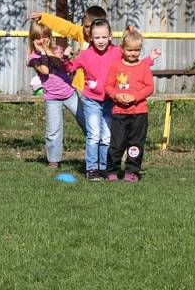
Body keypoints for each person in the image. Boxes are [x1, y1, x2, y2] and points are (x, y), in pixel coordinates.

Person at [65, 18, 160, 180]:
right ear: (91, 38)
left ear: (110, 36)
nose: (100, 41)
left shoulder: (117, 51)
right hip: (92, 100)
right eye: (97, 37)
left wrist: (149, 59)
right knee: (94, 134)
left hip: (112, 102)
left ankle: (105, 168)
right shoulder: (85, 55)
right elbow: (70, 67)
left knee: (107, 137)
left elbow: (133, 64)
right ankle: (92, 168)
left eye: (104, 37)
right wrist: (65, 58)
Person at [27, 20, 86, 168]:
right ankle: (54, 160)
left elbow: (62, 66)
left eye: (46, 36)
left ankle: (97, 153)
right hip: (52, 98)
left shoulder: (57, 50)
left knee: (86, 122)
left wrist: (56, 53)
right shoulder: (33, 58)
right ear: (32, 40)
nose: (43, 40)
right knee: (53, 130)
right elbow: (45, 70)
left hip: (69, 93)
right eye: (38, 38)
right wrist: (43, 52)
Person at [104, 26, 154, 182]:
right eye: (129, 50)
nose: (133, 53)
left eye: (137, 50)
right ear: (122, 49)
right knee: (117, 143)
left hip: (139, 112)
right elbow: (108, 86)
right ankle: (112, 170)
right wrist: (117, 95)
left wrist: (135, 97)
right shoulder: (115, 67)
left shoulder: (144, 67)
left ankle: (132, 171)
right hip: (119, 112)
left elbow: (150, 87)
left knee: (135, 144)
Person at [29, 5, 109, 91]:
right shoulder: (81, 33)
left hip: (101, 85)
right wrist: (44, 18)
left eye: (91, 26)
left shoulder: (105, 42)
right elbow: (64, 26)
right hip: (83, 86)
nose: (88, 30)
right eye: (86, 26)